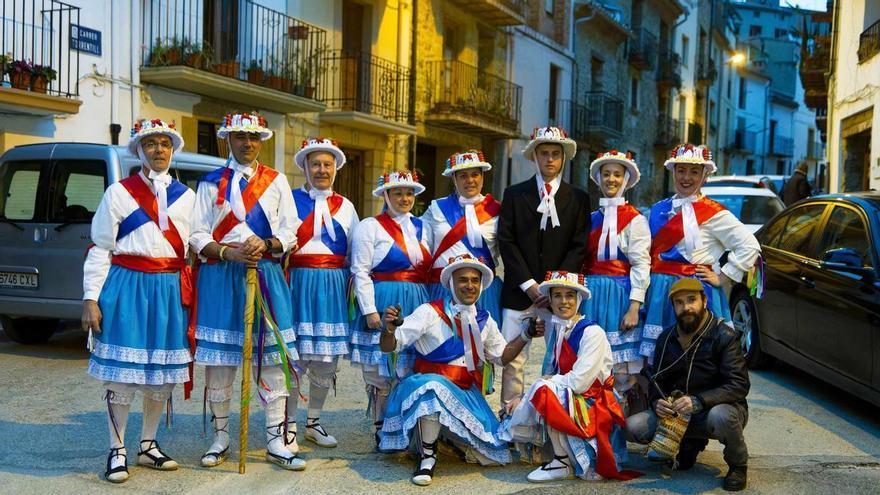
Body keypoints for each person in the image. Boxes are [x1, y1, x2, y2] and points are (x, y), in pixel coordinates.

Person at [82, 119, 195, 482]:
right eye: (151, 144)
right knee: (124, 377)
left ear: (172, 150)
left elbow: (198, 245)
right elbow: (100, 247)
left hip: (169, 288)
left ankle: (148, 444)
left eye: (164, 143)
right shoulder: (119, 193)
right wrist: (90, 298)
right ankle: (117, 449)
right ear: (139, 150)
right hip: (127, 285)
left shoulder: (188, 197)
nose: (158, 150)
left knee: (160, 375)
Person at [191, 112, 304, 470]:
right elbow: (197, 235)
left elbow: (291, 230)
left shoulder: (277, 181)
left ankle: (276, 438)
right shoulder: (210, 183)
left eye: (253, 137)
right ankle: (220, 436)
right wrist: (227, 251)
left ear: (262, 141)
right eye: (240, 136)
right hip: (222, 276)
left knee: (272, 361)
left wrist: (268, 242)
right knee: (222, 365)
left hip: (266, 273)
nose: (247, 143)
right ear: (228, 139)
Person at [377, 254, 540, 486]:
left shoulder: (485, 320)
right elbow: (389, 346)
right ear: (451, 283)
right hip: (426, 386)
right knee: (431, 388)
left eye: (475, 280)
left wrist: (526, 334)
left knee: (493, 456)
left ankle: (445, 439)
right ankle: (427, 457)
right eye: (463, 280)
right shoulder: (429, 312)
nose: (470, 285)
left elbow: (502, 357)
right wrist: (389, 330)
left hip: (465, 393)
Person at [501, 271, 638, 483]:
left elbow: (579, 383)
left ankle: (562, 461)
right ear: (551, 300)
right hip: (576, 399)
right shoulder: (559, 330)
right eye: (557, 296)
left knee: (545, 391)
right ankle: (559, 456)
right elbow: (554, 374)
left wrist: (539, 387)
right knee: (536, 393)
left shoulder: (593, 333)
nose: (563, 301)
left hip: (595, 405)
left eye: (570, 296)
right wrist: (525, 396)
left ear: (579, 300)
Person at [497, 126, 591, 410]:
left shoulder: (578, 198)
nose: (549, 159)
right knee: (513, 358)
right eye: (544, 154)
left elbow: (579, 245)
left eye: (555, 154)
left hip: (559, 294)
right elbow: (507, 240)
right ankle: (509, 414)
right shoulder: (515, 194)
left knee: (559, 355)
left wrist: (553, 287)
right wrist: (529, 283)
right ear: (534, 157)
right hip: (519, 290)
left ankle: (553, 415)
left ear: (563, 158)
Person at [627, 278, 750, 492]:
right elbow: (658, 382)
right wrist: (657, 402)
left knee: (721, 417)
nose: (686, 307)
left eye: (691, 300)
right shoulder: (666, 338)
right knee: (632, 427)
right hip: (678, 416)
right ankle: (689, 444)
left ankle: (738, 465)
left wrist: (699, 400)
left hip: (716, 409)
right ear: (673, 307)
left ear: (704, 301)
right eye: (679, 302)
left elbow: (739, 385)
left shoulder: (724, 336)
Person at [640, 144, 760, 362]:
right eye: (681, 170)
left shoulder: (715, 214)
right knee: (662, 356)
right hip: (660, 294)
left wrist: (723, 276)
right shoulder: (657, 210)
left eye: (694, 172)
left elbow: (750, 245)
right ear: (673, 172)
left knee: (699, 357)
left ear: (705, 175)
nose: (687, 177)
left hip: (697, 290)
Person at [286, 137, 360, 450]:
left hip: (332, 285)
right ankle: (286, 424)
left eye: (327, 165)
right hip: (297, 283)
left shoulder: (347, 207)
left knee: (325, 360)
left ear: (335, 169)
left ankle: (313, 421)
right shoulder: (288, 200)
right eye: (315, 164)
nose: (321, 170)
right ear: (304, 167)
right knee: (293, 357)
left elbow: (355, 252)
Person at [349, 170, 431, 446]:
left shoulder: (422, 226)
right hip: (385, 299)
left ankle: (406, 424)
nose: (404, 198)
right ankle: (381, 426)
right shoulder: (369, 226)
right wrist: (369, 310)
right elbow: (360, 271)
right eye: (397, 192)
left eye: (409, 193)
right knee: (382, 370)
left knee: (410, 365)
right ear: (385, 195)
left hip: (417, 299)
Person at [580, 150, 651, 409]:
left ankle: (615, 425)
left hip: (619, 297)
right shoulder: (591, 219)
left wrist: (634, 306)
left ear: (626, 180)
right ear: (598, 178)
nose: (611, 179)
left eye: (617, 174)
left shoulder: (635, 220)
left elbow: (641, 263)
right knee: (589, 361)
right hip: (591, 296)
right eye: (606, 174)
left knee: (620, 369)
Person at [422, 150, 503, 322]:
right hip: (443, 288)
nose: (470, 180)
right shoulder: (436, 208)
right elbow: (417, 243)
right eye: (463, 175)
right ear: (454, 179)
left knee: (485, 344)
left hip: (483, 290)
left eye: (475, 174)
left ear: (482, 177)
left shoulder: (496, 210)